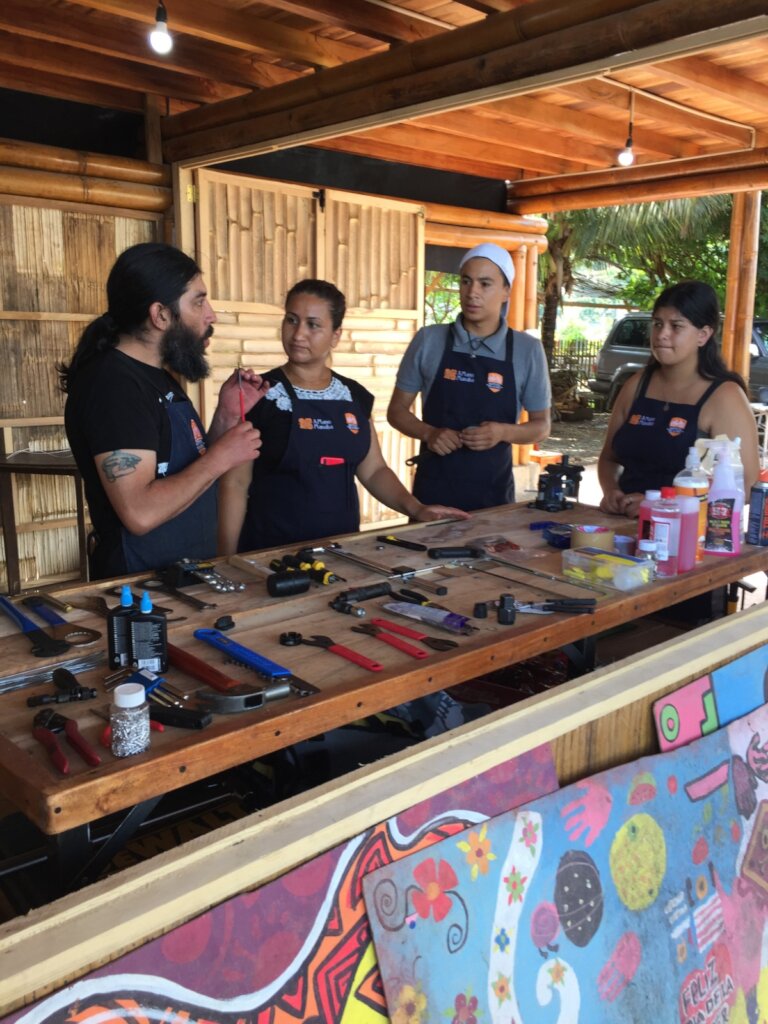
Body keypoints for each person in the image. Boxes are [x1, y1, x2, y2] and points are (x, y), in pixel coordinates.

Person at [59, 242, 269, 579]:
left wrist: (227, 417)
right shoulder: (114, 387)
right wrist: (222, 458)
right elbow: (139, 513)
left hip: (181, 576)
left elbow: (182, 471)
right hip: (141, 590)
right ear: (160, 315)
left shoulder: (156, 376)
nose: (211, 314)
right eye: (198, 302)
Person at [218, 279, 469, 555]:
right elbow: (235, 483)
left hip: (341, 551)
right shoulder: (259, 393)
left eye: (313, 324)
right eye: (291, 320)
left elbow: (373, 470)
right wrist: (228, 558)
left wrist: (416, 508)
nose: (298, 334)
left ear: (335, 335)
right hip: (270, 552)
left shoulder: (354, 396)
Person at [386, 242, 551, 511]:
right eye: (466, 281)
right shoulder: (429, 340)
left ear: (506, 291)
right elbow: (396, 411)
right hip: (432, 495)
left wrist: (502, 432)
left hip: (494, 496)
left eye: (485, 284)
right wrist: (429, 433)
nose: (472, 292)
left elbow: (541, 425)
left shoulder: (527, 350)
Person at [598, 280, 760, 518]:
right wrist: (612, 491)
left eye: (676, 326)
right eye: (657, 324)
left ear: (703, 335)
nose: (662, 334)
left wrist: (663, 503)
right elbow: (609, 458)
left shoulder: (724, 397)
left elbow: (745, 488)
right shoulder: (637, 384)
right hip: (624, 530)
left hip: (689, 537)